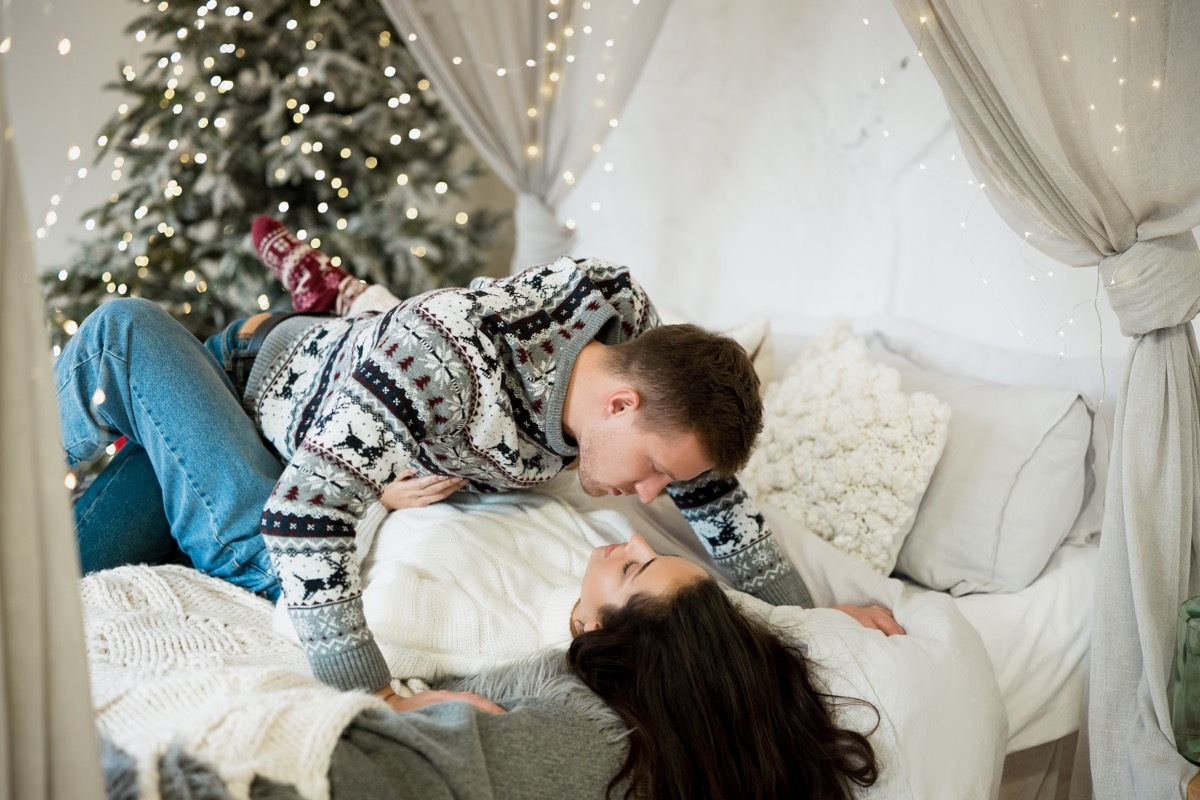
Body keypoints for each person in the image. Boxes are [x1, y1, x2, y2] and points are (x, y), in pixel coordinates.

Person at [55, 214, 862, 707]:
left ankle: (319, 309)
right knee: (125, 331)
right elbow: (304, 519)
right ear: (620, 405)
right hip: (260, 399)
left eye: (665, 482)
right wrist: (373, 693)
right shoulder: (443, 362)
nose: (651, 496)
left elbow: (712, 495)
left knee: (49, 572)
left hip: (284, 420)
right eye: (653, 467)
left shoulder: (638, 348)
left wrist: (813, 619)